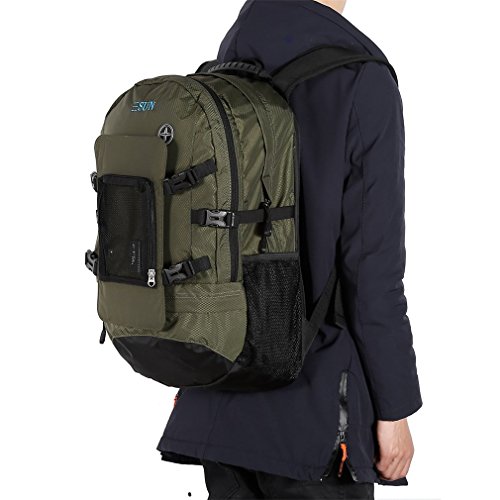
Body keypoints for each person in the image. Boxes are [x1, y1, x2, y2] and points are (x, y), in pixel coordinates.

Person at [157, 1, 423, 498]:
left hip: (217, 396)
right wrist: (395, 407)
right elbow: (372, 270)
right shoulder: (360, 78)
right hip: (314, 415)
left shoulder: (223, 70)